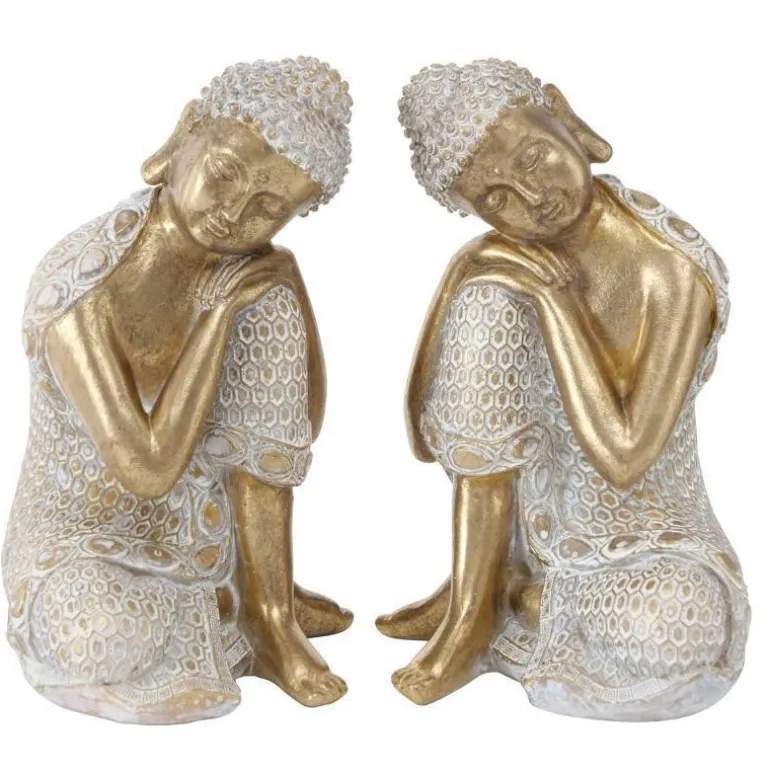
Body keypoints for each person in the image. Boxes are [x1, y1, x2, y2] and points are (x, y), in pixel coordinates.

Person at [378, 59, 749, 719]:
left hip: (646, 543)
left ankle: (513, 597)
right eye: (495, 199)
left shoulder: (667, 272)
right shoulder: (505, 261)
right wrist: (470, 272)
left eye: (533, 157)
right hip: (535, 518)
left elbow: (625, 457)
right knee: (489, 298)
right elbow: (424, 438)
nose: (532, 196)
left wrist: (557, 303)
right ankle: (473, 608)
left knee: (679, 629)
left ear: (563, 114)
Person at [3, 58, 353, 723]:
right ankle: (221, 602)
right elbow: (148, 469)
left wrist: (288, 280)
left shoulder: (246, 278)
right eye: (224, 173)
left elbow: (302, 426)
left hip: (201, 525)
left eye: (269, 209)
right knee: (93, 633)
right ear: (185, 131)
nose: (232, 214)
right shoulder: (79, 289)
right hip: (86, 538)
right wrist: (215, 318)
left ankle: (267, 610)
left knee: (266, 302)